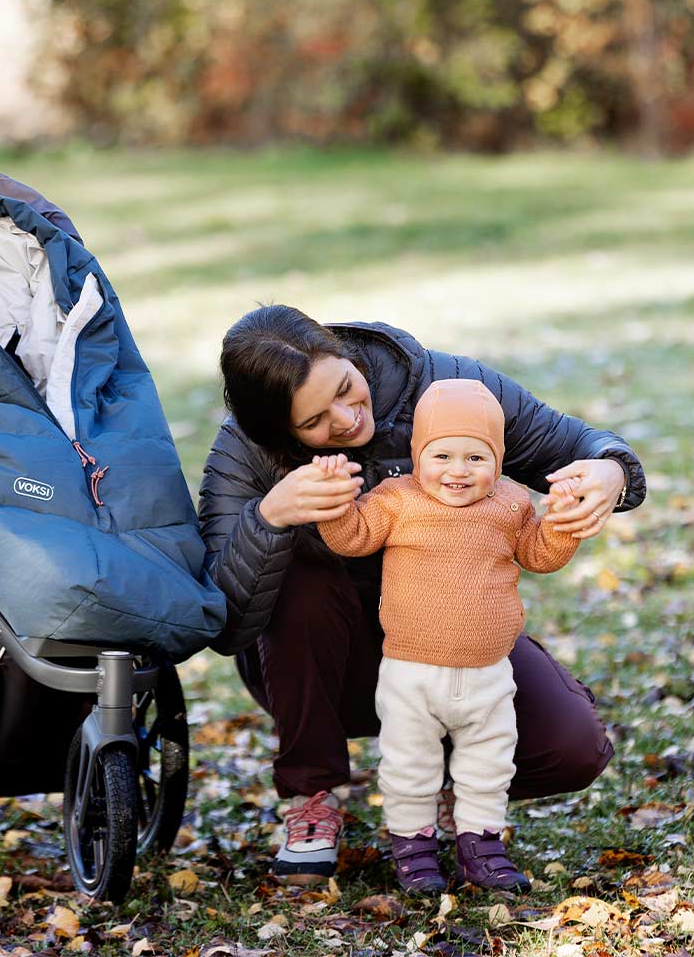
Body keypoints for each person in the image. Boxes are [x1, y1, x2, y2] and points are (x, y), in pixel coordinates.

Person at [198, 305, 645, 885]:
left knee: (571, 749)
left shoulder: (445, 387)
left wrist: (611, 471)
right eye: (314, 421)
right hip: (322, 667)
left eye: (345, 388)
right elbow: (224, 618)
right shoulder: (246, 448)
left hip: (458, 639)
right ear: (279, 430)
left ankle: (456, 785)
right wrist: (269, 518)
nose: (346, 418)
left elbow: (576, 443)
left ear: (345, 354)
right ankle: (313, 796)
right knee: (302, 576)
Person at [314, 379, 585, 893]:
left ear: (497, 462)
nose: (458, 471)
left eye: (475, 458)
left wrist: (562, 523)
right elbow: (354, 538)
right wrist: (335, 502)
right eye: (442, 456)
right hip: (411, 673)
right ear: (418, 456)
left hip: (488, 672)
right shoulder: (397, 499)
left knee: (488, 764)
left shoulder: (510, 503)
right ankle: (413, 849)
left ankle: (481, 847)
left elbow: (540, 554)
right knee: (409, 765)